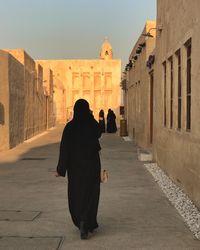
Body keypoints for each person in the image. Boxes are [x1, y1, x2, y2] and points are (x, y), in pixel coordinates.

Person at [56, 99, 102, 240]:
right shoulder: (91, 124)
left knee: (77, 195)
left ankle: (81, 221)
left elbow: (64, 149)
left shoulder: (70, 127)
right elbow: (99, 131)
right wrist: (91, 116)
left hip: (75, 169)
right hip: (92, 167)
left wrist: (61, 169)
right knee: (91, 195)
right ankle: (88, 222)